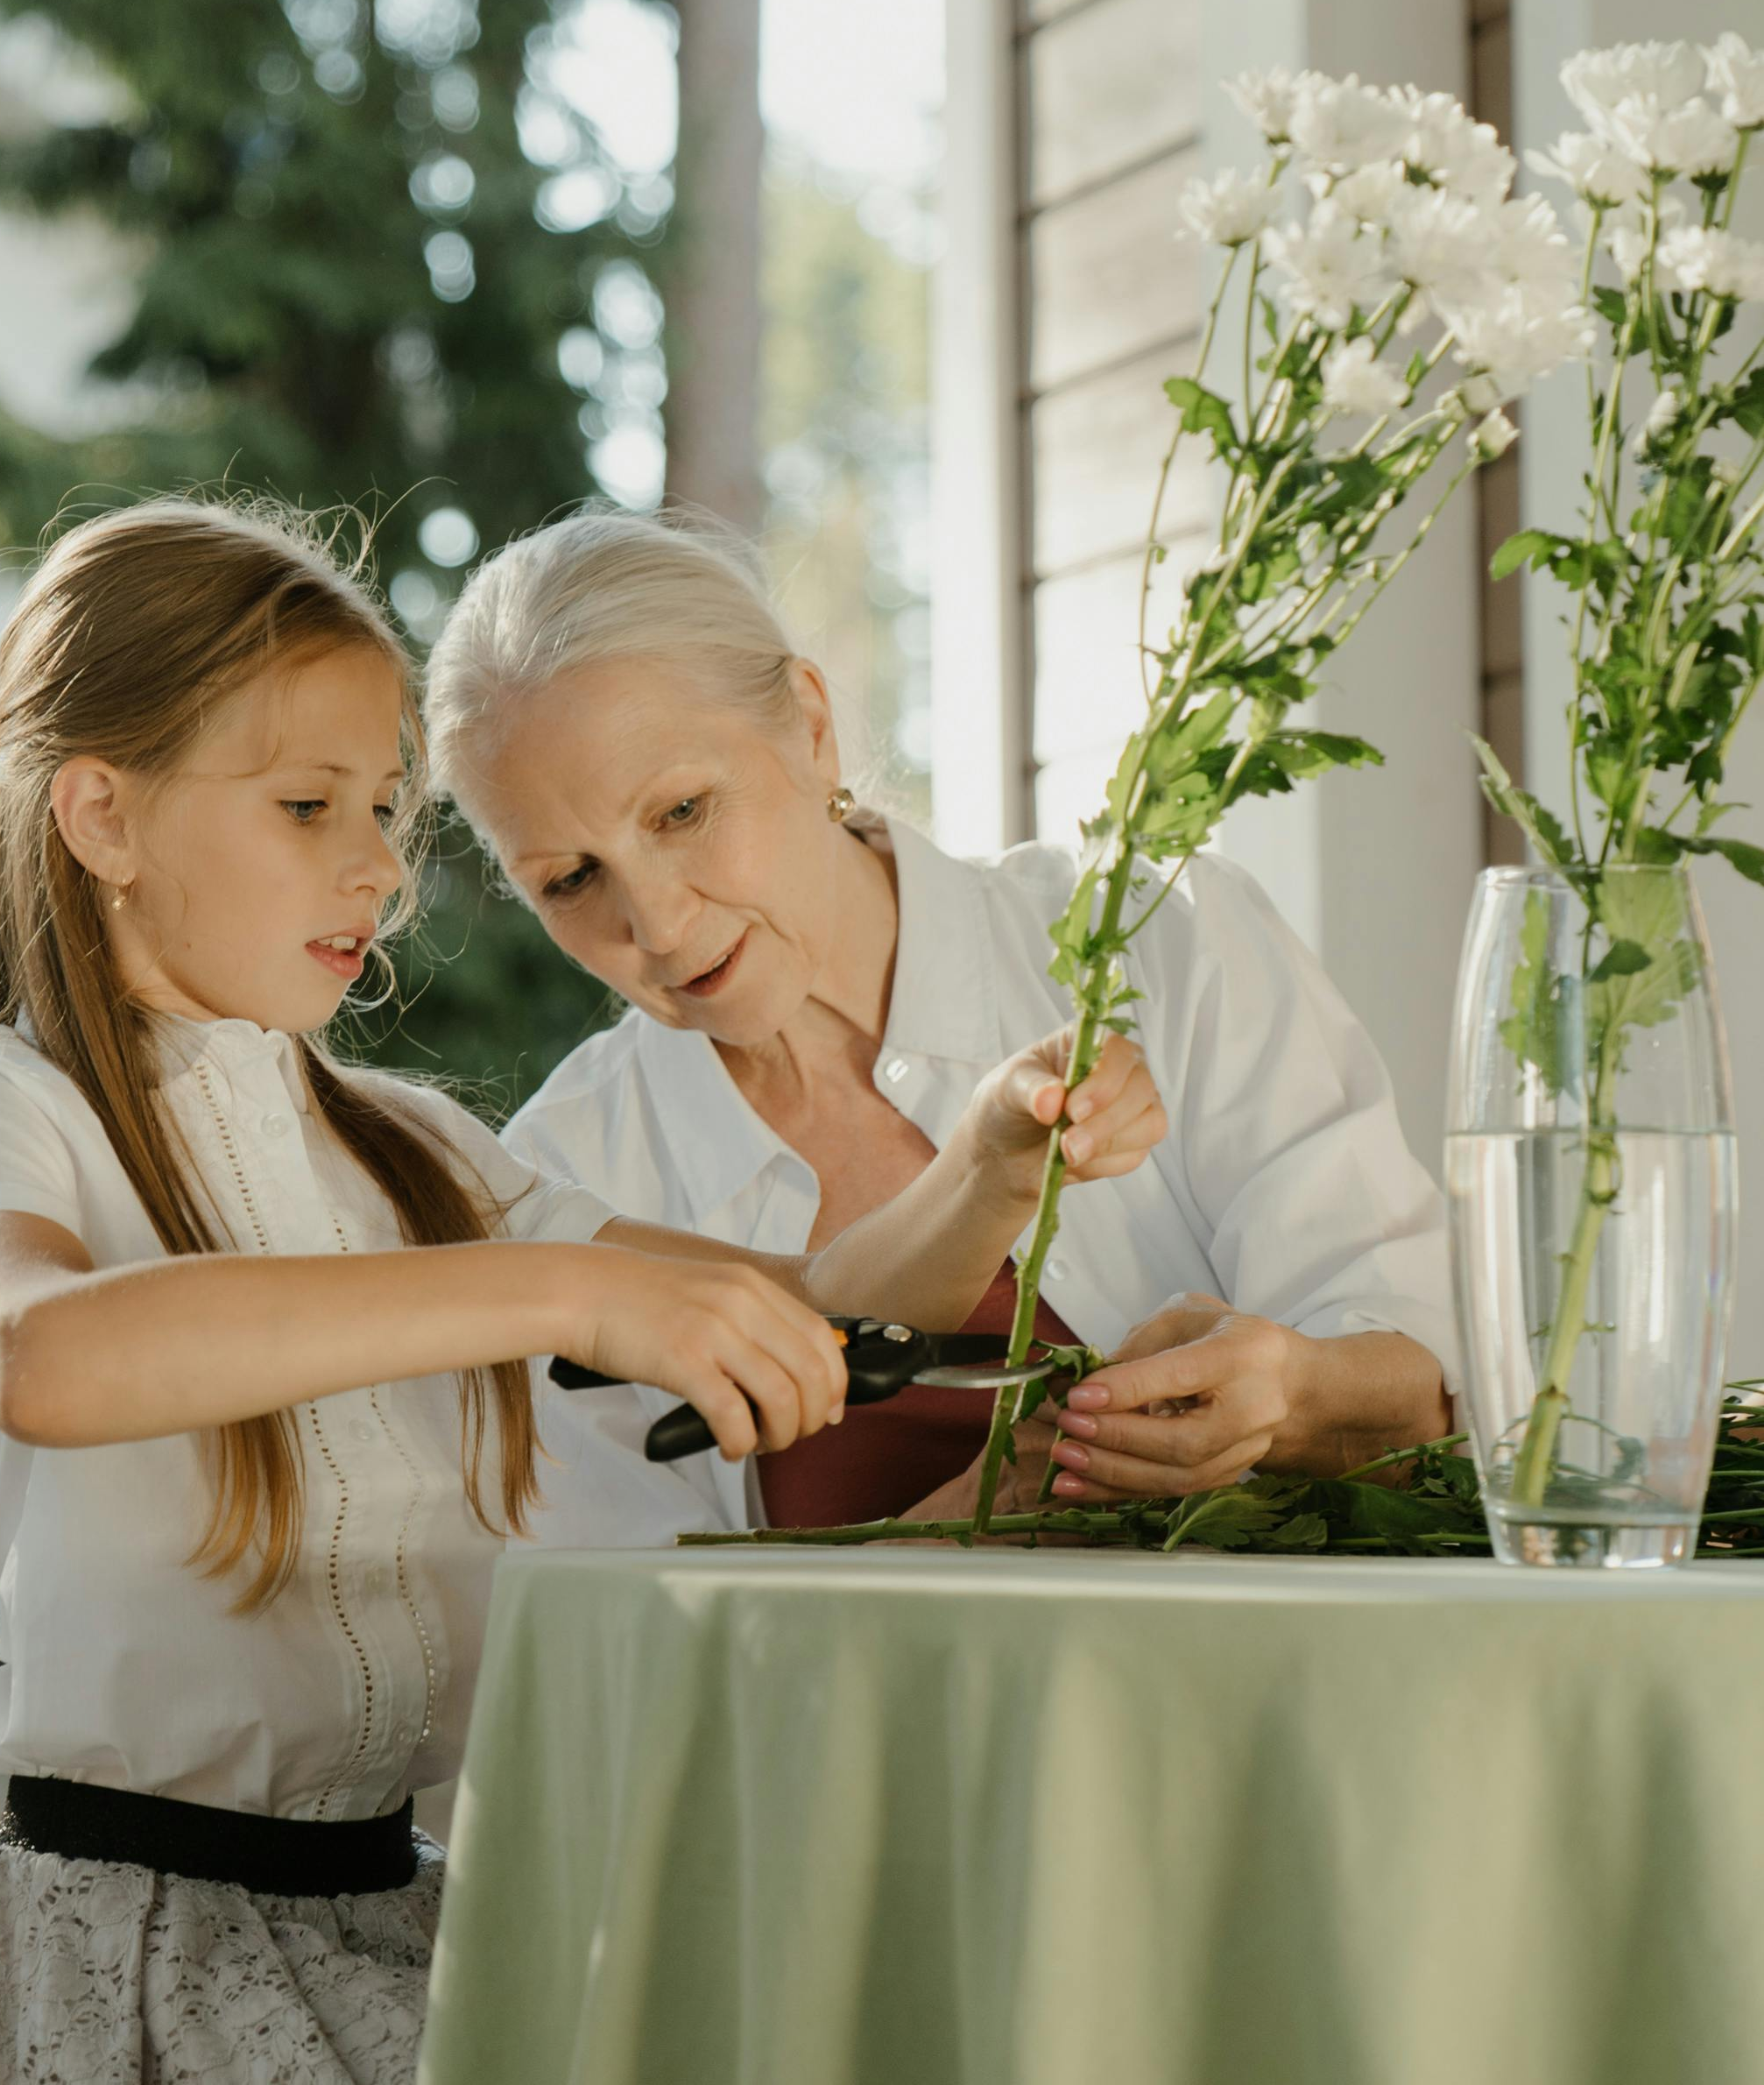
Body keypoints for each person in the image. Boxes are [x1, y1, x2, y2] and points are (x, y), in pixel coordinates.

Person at [0, 498, 1164, 2085]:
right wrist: (542, 1288)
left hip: (395, 1928)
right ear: (103, 816)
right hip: (121, 1964)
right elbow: (42, 1351)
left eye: (387, 804)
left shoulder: (403, 1146)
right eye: (311, 802)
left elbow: (803, 1306)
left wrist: (996, 1166)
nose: (385, 866)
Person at [421, 509, 1458, 1544]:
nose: (655, 921)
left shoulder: (1160, 940)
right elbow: (623, 1643)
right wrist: (972, 1522)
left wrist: (1296, 1395)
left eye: (682, 812)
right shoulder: (564, 1177)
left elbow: (1430, 1373)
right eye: (570, 879)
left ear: (811, 726)